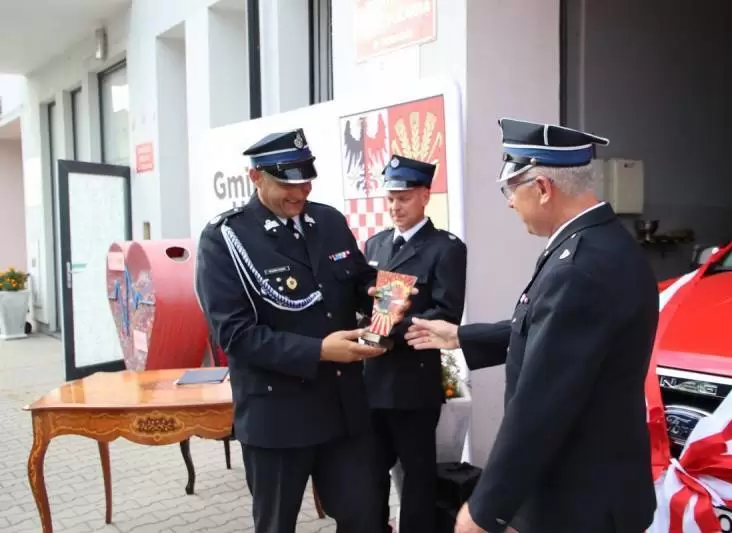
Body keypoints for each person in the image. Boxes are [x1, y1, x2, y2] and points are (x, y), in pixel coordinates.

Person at [404, 119, 660, 533]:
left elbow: (540, 404)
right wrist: (461, 336)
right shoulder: (599, 243)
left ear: (542, 187)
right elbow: (552, 333)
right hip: (595, 487)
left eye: (510, 189)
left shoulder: (580, 266)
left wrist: (485, 509)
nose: (509, 203)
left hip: (577, 500)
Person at [194, 128, 414, 533]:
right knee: (277, 524)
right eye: (286, 185)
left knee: (366, 519)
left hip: (344, 411)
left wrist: (387, 298)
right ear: (255, 177)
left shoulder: (327, 220)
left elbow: (358, 282)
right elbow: (236, 334)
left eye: (306, 182)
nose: (299, 193)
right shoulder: (226, 238)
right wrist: (320, 351)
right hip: (278, 417)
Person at [362, 155, 467, 533]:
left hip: (413, 383)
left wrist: (386, 328)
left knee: (417, 477)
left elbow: (446, 315)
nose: (395, 207)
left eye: (404, 198)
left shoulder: (445, 248)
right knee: (369, 474)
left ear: (425, 196)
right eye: (390, 198)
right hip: (372, 379)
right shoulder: (375, 244)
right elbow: (364, 303)